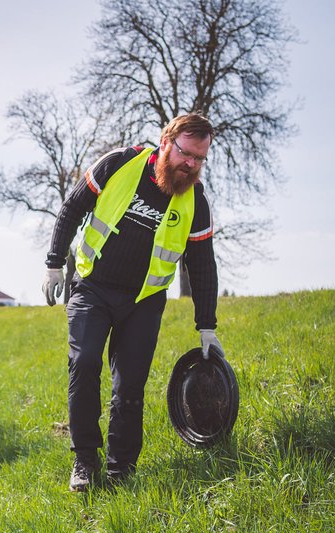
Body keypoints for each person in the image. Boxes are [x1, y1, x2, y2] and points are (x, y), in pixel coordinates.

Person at [42, 112, 223, 491]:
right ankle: (85, 461)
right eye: (187, 154)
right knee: (85, 362)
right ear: (166, 142)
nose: (191, 164)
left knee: (129, 386)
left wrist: (207, 325)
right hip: (92, 287)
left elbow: (202, 265)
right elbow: (73, 207)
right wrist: (55, 264)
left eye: (200, 158)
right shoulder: (120, 164)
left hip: (143, 301)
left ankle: (121, 469)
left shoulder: (196, 202)